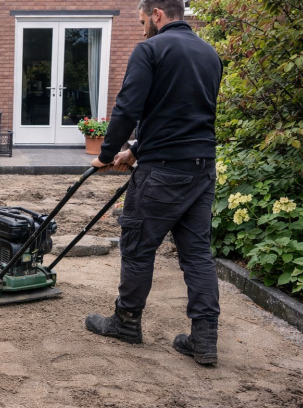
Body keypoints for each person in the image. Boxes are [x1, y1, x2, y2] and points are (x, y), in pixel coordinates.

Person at [84, 0, 223, 365]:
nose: (143, 27)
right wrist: (134, 150)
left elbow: (128, 106)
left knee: (137, 246)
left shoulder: (150, 49)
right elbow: (179, 111)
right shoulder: (210, 55)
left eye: (143, 20)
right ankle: (204, 340)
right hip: (202, 168)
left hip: (162, 173)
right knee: (197, 256)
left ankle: (126, 322)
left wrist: (106, 152)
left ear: (158, 14)